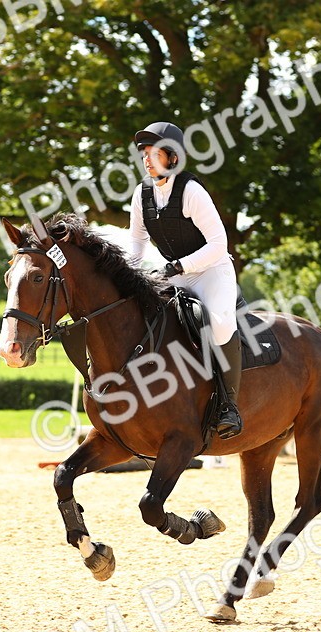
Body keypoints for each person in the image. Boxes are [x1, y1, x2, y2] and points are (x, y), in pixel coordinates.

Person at [126, 121, 242, 438]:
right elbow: (136, 242)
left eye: (154, 153)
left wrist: (178, 266)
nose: (146, 159)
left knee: (220, 324)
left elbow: (218, 244)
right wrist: (129, 275)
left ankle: (229, 406)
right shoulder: (141, 194)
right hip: (175, 274)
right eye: (144, 154)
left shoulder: (191, 191)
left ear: (173, 156)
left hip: (211, 271)